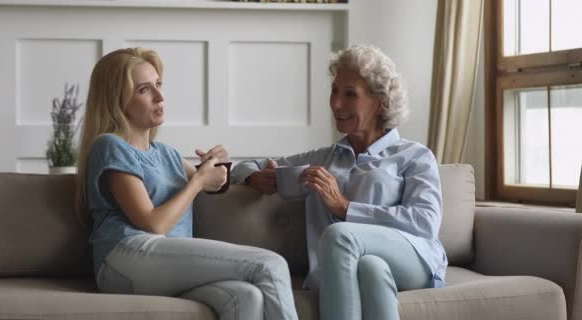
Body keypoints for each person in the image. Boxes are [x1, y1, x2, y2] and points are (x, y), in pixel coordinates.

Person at [74, 47, 299, 320]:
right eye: (145, 89)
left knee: (244, 296)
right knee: (270, 265)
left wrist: (230, 168)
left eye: (158, 84)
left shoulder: (166, 154)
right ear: (117, 100)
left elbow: (216, 182)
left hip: (164, 264)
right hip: (125, 258)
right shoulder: (110, 146)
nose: (160, 96)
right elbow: (153, 224)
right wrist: (198, 181)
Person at [231, 44, 448, 320]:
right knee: (371, 269)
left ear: (380, 102)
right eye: (335, 91)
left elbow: (425, 222)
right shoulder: (324, 158)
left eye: (350, 95)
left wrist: (345, 208)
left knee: (339, 234)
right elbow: (246, 165)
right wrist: (253, 176)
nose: (335, 104)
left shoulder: (414, 155)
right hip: (362, 264)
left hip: (415, 258)